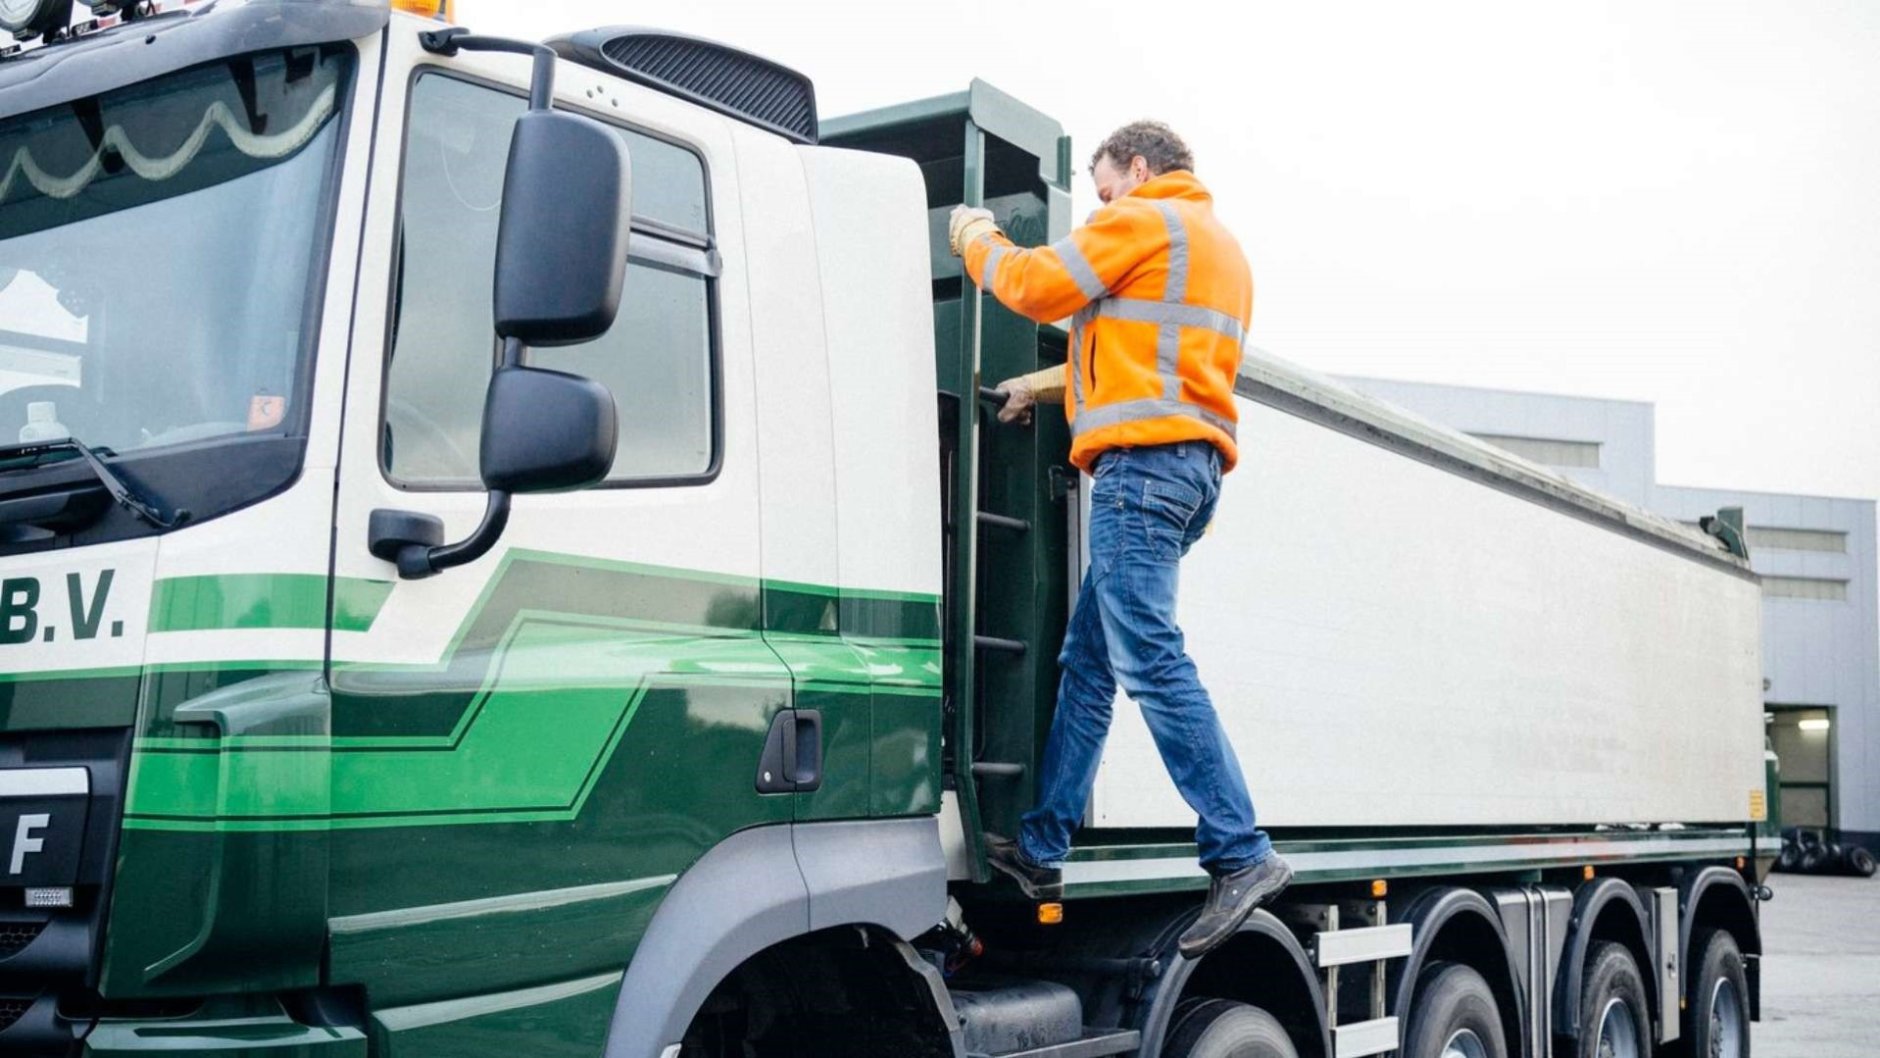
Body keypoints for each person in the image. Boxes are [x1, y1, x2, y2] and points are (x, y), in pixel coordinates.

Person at [948, 120, 1289, 959]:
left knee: (1148, 660)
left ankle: (1241, 852)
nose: (1100, 205)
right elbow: (1135, 355)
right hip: (1188, 474)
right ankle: (1041, 847)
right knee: (1092, 664)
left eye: (1103, 189)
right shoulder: (1217, 245)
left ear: (1137, 169)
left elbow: (1030, 285)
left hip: (1139, 478)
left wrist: (973, 235)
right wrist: (1039, 383)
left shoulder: (1144, 217)